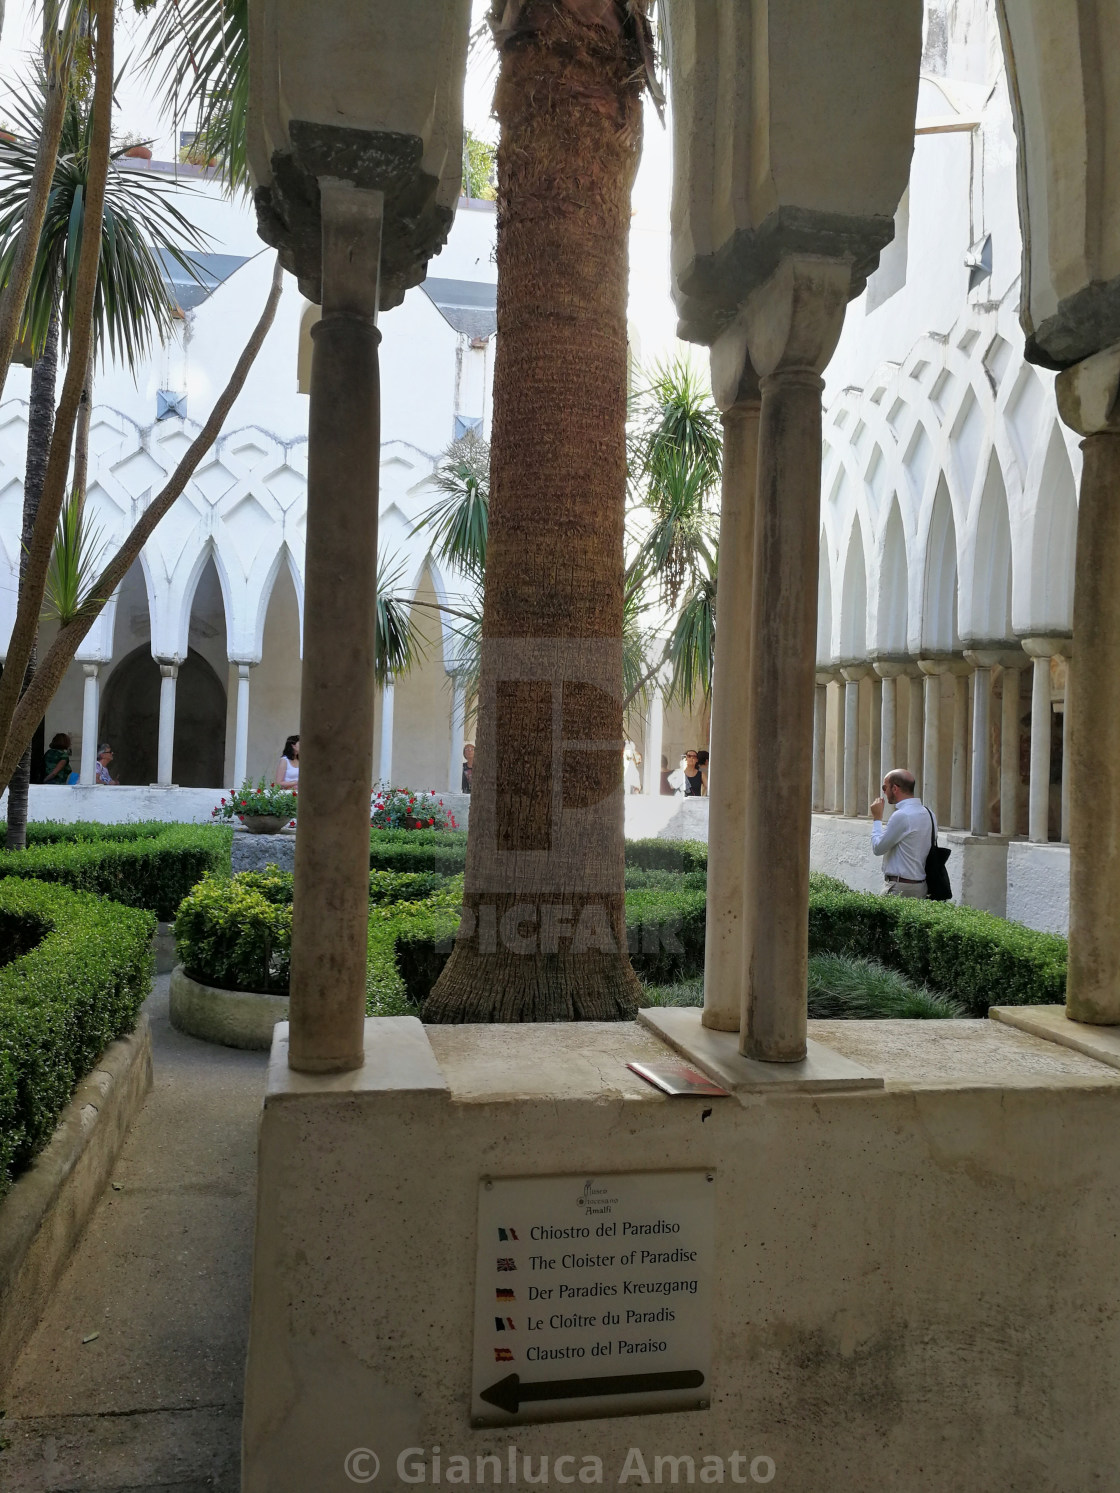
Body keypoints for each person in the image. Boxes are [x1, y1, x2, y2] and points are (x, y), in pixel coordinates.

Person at [870, 767, 934, 897]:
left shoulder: (902, 815)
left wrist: (877, 818)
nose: (884, 792)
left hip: (899, 887)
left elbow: (878, 848)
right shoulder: (929, 813)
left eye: (884, 787)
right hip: (921, 886)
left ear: (894, 788)